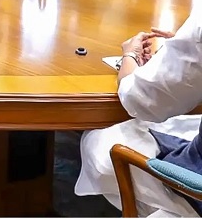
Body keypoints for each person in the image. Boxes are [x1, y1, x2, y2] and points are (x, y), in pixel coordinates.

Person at [75, 13, 202, 217]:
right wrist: (185, 53)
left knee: (98, 139)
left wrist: (130, 56)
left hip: (195, 183)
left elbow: (140, 100)